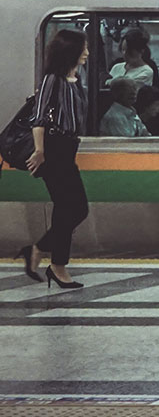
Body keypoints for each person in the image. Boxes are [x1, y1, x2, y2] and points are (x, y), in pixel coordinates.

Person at [22, 28, 91, 289]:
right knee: (71, 208)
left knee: (73, 209)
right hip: (54, 149)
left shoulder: (76, 78)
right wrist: (40, 151)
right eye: (83, 48)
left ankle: (39, 250)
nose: (87, 52)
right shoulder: (53, 79)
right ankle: (57, 265)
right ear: (70, 51)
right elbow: (38, 117)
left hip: (68, 148)